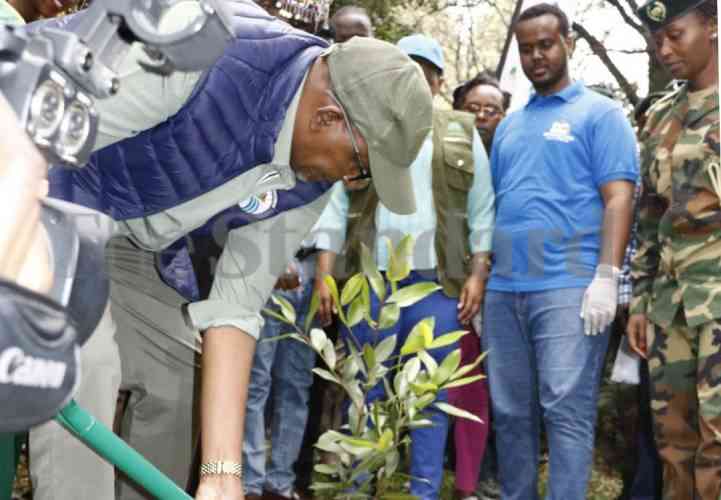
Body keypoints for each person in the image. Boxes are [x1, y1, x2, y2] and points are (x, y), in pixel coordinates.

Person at [25, 2, 433, 499]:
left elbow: (235, 309)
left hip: (125, 232)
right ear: (327, 117)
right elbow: (32, 142)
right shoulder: (199, 48)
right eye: (361, 164)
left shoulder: (309, 176)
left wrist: (223, 474)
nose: (353, 180)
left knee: (180, 377)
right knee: (88, 355)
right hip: (33, 177)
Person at [311, 34, 495, 500]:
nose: (413, 80)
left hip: (437, 288)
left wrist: (476, 274)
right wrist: (324, 274)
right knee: (363, 395)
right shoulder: (364, 127)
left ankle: (423, 492)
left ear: (437, 82)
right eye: (404, 71)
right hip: (369, 286)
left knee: (429, 400)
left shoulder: (460, 132)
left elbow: (483, 209)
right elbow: (334, 206)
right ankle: (355, 491)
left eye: (424, 73)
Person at [482, 3, 638, 499]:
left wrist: (607, 278)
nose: (535, 57)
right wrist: (485, 278)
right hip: (506, 290)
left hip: (569, 287)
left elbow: (619, 196)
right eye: (526, 49)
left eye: (545, 44)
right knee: (509, 412)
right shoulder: (508, 126)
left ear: (568, 43)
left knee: (565, 408)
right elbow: (500, 207)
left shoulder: (601, 114)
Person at [627, 1, 719, 498]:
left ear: (711, 25)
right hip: (670, 305)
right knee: (672, 444)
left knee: (718, 444)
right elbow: (648, 213)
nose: (665, 49)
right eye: (657, 39)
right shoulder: (661, 114)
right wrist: (640, 300)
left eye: (676, 35)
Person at [449, 71, 509, 500]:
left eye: (493, 110)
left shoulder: (515, 154)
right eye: (475, 109)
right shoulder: (444, 151)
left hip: (506, 285)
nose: (484, 117)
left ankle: (483, 473)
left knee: (492, 385)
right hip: (452, 282)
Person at [242, 253, 318, 500]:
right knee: (255, 383)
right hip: (267, 264)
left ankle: (280, 484)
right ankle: (249, 482)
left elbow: (335, 225)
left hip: (312, 273)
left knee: (296, 388)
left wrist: (324, 275)